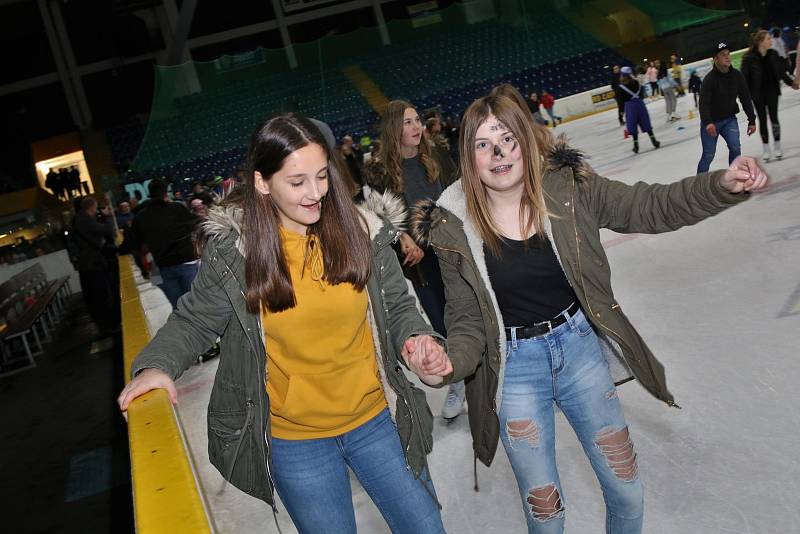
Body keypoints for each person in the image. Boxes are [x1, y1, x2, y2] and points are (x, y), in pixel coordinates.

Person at [410, 92, 769, 534]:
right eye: (483, 144)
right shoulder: (454, 226)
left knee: (626, 490)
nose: (499, 152)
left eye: (506, 137)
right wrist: (447, 364)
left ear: (525, 138)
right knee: (546, 513)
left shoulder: (569, 188)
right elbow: (465, 320)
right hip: (515, 368)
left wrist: (719, 186)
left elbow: (648, 205)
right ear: (467, 156)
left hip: (580, 352)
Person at [117, 114, 450, 534]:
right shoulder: (236, 252)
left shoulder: (363, 231)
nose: (315, 194)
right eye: (297, 182)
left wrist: (417, 339)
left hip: (377, 420)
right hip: (296, 442)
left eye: (322, 176)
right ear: (261, 182)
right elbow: (194, 320)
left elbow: (398, 305)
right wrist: (155, 366)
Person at [363, 100, 462, 420]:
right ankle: (456, 377)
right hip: (418, 259)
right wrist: (401, 238)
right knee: (439, 317)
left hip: (452, 247)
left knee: (470, 308)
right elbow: (375, 215)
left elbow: (458, 194)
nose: (416, 127)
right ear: (394, 129)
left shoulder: (437, 155)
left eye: (417, 120)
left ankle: (488, 366)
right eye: (407, 122)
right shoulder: (378, 172)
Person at [131, 179, 201, 309]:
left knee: (179, 308)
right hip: (186, 262)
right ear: (165, 193)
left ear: (149, 193)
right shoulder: (177, 208)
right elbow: (197, 224)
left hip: (161, 268)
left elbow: (135, 247)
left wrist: (143, 270)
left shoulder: (140, 217)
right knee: (196, 305)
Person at [697, 43, 757, 174]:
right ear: (716, 59)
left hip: (729, 119)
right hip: (711, 123)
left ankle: (734, 178)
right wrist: (708, 123)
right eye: (723, 55)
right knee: (708, 155)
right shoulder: (709, 80)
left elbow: (745, 98)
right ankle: (698, 185)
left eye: (728, 54)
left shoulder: (737, 76)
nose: (727, 57)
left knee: (735, 148)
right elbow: (703, 104)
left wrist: (751, 120)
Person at [740, 29, 797, 161]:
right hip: (757, 94)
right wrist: (744, 95)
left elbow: (781, 72)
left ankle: (777, 146)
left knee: (774, 118)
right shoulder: (748, 58)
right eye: (768, 39)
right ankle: (766, 148)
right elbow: (743, 79)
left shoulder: (773, 54)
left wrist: (791, 83)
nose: (771, 41)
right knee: (763, 120)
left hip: (772, 91)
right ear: (761, 42)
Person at [71, 196, 120, 332]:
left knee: (99, 295)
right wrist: (108, 217)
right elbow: (104, 230)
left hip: (92, 263)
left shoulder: (80, 220)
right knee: (99, 296)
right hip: (92, 264)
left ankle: (107, 323)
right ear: (92, 207)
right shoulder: (82, 220)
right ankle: (108, 324)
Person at [616, 66, 661, 153]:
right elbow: (641, 94)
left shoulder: (621, 87)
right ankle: (654, 141)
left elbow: (621, 100)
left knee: (632, 124)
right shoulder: (636, 82)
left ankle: (636, 146)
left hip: (630, 106)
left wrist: (621, 111)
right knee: (645, 122)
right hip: (640, 104)